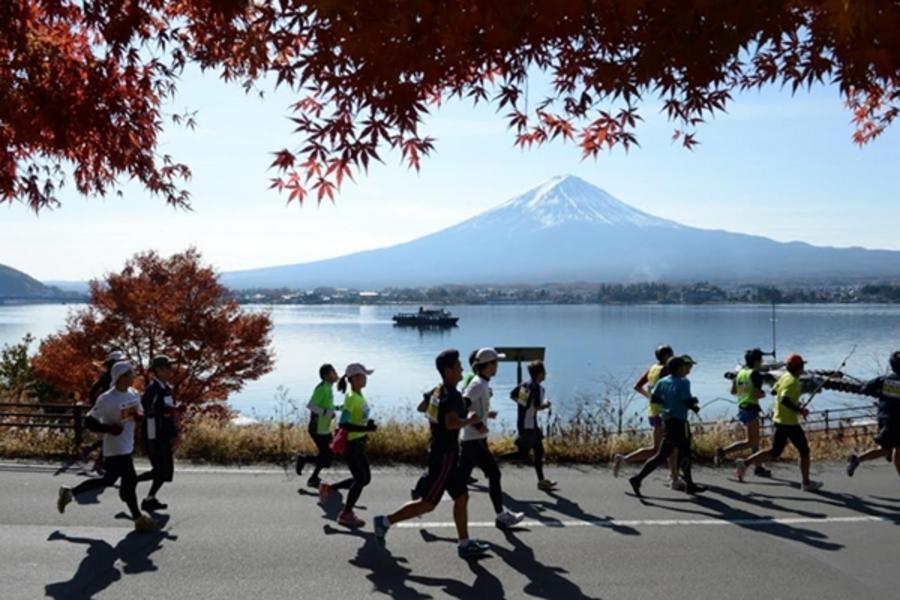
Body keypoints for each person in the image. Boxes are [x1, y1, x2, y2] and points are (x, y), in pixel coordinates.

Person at [374, 349, 491, 559]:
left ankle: (464, 543)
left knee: (462, 497)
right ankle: (384, 521)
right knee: (428, 505)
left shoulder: (437, 390)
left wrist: (436, 418)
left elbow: (422, 408)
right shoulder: (453, 395)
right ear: (448, 371)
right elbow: (451, 423)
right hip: (445, 455)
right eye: (458, 367)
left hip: (442, 451)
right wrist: (471, 420)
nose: (462, 370)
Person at [56, 361, 156, 532]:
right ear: (121, 377)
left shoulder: (133, 393)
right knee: (129, 480)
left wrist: (139, 417)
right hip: (115, 448)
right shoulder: (107, 398)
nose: (134, 376)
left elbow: (140, 412)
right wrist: (108, 428)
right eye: (131, 373)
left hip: (127, 444)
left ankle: (70, 493)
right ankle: (138, 518)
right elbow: (89, 420)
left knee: (108, 480)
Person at [736, 353, 823, 491]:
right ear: (798, 367)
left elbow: (773, 391)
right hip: (789, 422)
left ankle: (745, 464)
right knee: (804, 450)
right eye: (803, 366)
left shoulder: (784, 377)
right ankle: (806, 483)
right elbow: (783, 398)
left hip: (779, 419)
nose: (803, 368)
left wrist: (795, 403)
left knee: (775, 452)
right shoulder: (793, 381)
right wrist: (799, 409)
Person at [459, 348, 524, 529]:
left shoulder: (483, 383)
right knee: (494, 474)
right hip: (473, 440)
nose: (497, 366)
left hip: (472, 440)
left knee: (459, 480)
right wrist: (478, 424)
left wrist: (486, 414)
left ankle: (423, 498)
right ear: (487, 366)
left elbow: (473, 407)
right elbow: (463, 407)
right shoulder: (478, 384)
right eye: (495, 362)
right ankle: (501, 516)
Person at [628, 355, 705, 497]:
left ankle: (637, 479)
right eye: (684, 367)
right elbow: (687, 401)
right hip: (680, 422)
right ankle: (690, 485)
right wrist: (694, 405)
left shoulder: (663, 381)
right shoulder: (683, 382)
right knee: (685, 453)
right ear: (679, 368)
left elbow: (655, 398)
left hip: (668, 421)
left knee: (661, 455)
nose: (686, 369)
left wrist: (667, 406)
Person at [613, 345, 682, 489]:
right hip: (664, 413)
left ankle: (673, 475)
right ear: (665, 356)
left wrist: (649, 397)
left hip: (653, 411)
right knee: (668, 448)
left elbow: (638, 386)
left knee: (660, 448)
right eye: (671, 354)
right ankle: (674, 479)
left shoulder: (653, 369)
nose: (673, 357)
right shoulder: (665, 370)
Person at [318, 363, 377, 528]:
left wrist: (366, 426)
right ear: (354, 378)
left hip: (359, 443)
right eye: (363, 375)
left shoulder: (358, 395)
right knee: (360, 480)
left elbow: (357, 419)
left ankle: (329, 488)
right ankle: (346, 514)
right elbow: (344, 424)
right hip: (352, 445)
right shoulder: (351, 397)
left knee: (365, 479)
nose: (365, 378)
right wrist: (366, 428)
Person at [714, 348, 771, 477]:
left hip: (742, 407)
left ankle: (758, 467)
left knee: (754, 440)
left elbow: (733, 391)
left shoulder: (740, 373)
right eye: (761, 359)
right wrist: (764, 393)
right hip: (751, 407)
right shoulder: (755, 375)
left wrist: (746, 392)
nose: (762, 362)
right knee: (751, 441)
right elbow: (757, 394)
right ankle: (723, 452)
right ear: (757, 361)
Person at [847, 350, 900, 478]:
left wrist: (879, 394)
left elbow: (865, 388)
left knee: (891, 449)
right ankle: (857, 459)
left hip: (884, 418)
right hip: (896, 420)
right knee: (892, 449)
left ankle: (857, 460)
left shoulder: (884, 380)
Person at [136, 356, 178, 511]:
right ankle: (134, 484)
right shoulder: (153, 389)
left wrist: (173, 431)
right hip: (154, 435)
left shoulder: (165, 388)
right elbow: (146, 410)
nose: (170, 370)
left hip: (164, 434)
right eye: (167, 368)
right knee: (160, 470)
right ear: (159, 370)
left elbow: (168, 412)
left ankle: (149, 498)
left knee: (165, 471)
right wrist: (164, 412)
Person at [506, 360, 556, 491]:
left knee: (538, 451)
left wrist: (525, 405)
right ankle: (493, 461)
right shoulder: (537, 388)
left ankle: (542, 481)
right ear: (539, 374)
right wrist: (547, 405)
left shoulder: (525, 385)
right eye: (544, 372)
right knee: (523, 455)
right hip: (529, 426)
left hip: (524, 423)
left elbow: (513, 396)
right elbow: (537, 406)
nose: (546, 374)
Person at [80, 349, 127, 472]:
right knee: (113, 434)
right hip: (111, 409)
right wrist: (97, 406)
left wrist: (95, 405)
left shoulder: (109, 376)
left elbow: (93, 390)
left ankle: (93, 455)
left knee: (111, 434)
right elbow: (95, 391)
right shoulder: (113, 377)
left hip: (111, 408)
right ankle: (98, 460)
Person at [296, 364, 340, 488]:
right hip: (317, 428)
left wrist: (339, 408)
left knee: (327, 456)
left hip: (324, 428)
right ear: (326, 376)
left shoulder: (328, 387)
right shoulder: (322, 389)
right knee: (327, 457)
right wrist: (327, 413)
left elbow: (326, 406)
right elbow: (311, 406)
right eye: (333, 372)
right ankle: (305, 461)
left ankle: (312, 475)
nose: (336, 374)